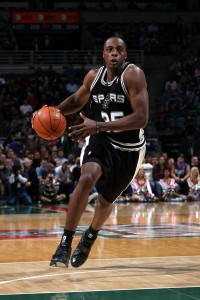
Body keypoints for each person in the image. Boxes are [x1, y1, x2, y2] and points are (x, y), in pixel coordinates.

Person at [32, 37, 149, 268]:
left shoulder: (133, 75)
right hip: (101, 140)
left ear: (125, 55)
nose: (114, 53)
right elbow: (77, 100)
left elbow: (141, 118)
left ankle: (90, 236)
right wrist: (50, 113)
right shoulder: (93, 77)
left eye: (119, 50)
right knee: (86, 178)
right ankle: (65, 244)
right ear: (103, 55)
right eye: (109, 50)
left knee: (105, 202)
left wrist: (96, 125)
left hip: (129, 149)